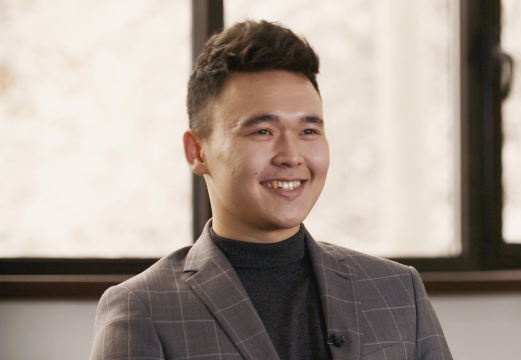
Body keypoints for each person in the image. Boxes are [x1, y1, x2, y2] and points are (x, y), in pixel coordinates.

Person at [90, 20, 453, 360]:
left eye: (308, 131)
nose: (291, 155)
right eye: (262, 131)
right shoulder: (143, 308)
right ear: (197, 151)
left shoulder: (398, 291)